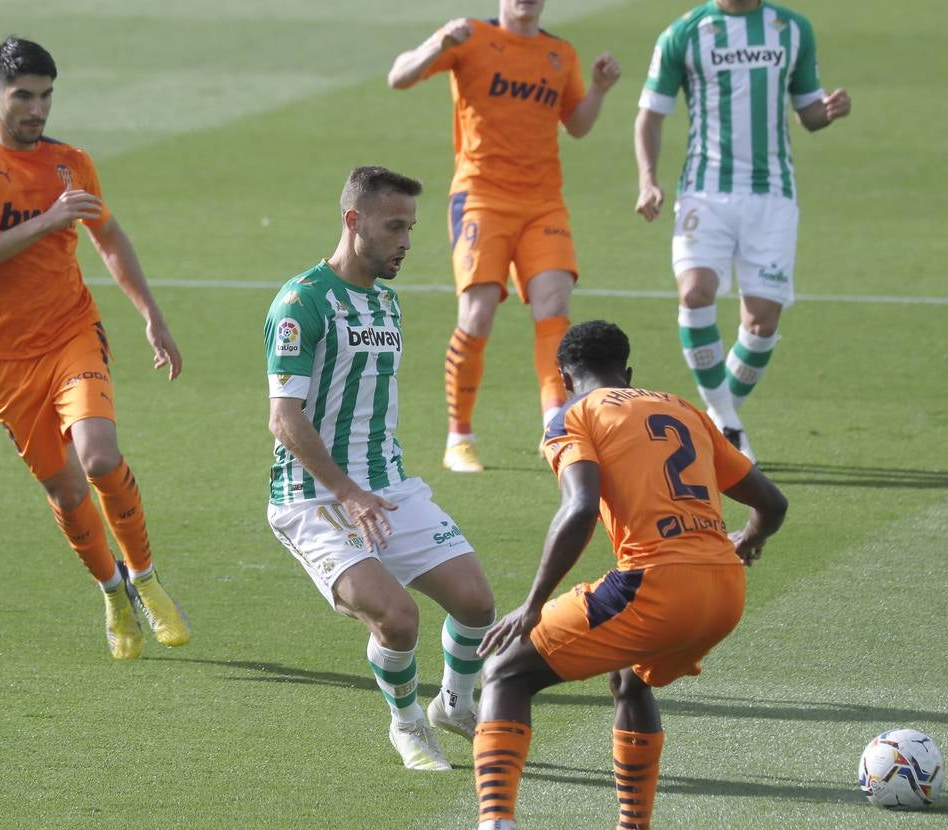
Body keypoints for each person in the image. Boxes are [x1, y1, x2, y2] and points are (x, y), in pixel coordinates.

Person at [420, 320, 788, 830]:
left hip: (657, 584)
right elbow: (772, 501)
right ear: (629, 373)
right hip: (725, 590)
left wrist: (534, 604)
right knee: (630, 679)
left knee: (505, 673)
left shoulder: (574, 414)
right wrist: (749, 539)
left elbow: (580, 507)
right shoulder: (682, 407)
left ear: (564, 377)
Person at [0, 37, 190, 660]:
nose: (37, 109)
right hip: (4, 357)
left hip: (73, 332)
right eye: (24, 96)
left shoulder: (71, 162)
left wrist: (151, 315)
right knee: (67, 491)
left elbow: (108, 236)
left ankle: (147, 580)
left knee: (99, 457)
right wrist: (47, 220)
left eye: (46, 96)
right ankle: (112, 593)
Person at [265, 166, 497, 771]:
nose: (407, 241)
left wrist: (372, 488)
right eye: (395, 226)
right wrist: (348, 492)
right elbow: (284, 419)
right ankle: (408, 722)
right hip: (315, 497)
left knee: (476, 602)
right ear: (353, 220)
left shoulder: (386, 304)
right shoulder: (301, 303)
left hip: (387, 486)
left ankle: (455, 702)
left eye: (411, 227)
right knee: (397, 618)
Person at [388, 1, 622, 473]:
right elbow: (400, 75)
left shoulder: (559, 53)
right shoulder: (469, 36)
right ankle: (460, 438)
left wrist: (598, 89)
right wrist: (438, 43)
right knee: (477, 315)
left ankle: (556, 424)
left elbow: (576, 124)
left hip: (543, 203)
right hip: (481, 199)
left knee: (553, 308)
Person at [634, 0, 851, 461]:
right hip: (704, 191)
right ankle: (727, 423)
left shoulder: (792, 28)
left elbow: (807, 111)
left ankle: (713, 426)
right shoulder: (685, 32)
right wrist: (648, 179)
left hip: (772, 195)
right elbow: (650, 114)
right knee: (694, 293)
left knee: (761, 323)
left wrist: (828, 110)